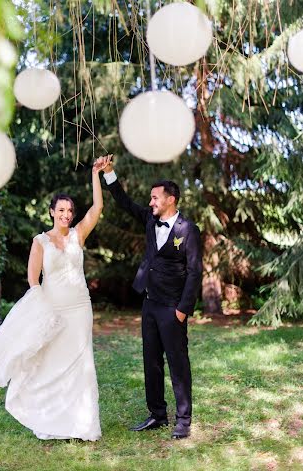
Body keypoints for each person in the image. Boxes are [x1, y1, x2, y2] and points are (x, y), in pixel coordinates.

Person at [0, 155, 112, 441]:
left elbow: (98, 207)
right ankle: (50, 417)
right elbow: (33, 280)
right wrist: (43, 308)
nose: (66, 215)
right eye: (61, 210)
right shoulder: (40, 242)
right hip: (54, 309)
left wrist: (96, 173)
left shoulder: (78, 235)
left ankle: (83, 424)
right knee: (51, 362)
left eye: (70, 210)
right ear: (51, 212)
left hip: (80, 308)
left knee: (82, 363)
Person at [99, 156, 202, 439]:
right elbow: (124, 202)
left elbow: (194, 273)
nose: (151, 201)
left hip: (173, 308)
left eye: (155, 197)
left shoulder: (188, 230)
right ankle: (157, 414)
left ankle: (183, 420)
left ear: (171, 199)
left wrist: (183, 310)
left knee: (178, 363)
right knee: (151, 361)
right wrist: (109, 173)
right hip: (150, 303)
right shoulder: (149, 219)